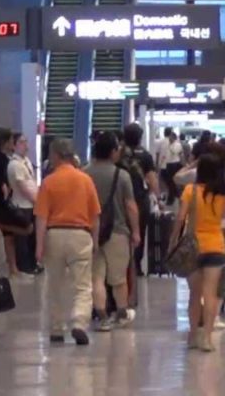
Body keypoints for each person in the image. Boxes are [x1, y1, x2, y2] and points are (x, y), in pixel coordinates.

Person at [174, 149, 225, 352]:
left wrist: (173, 240)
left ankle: (192, 334)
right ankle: (207, 337)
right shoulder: (224, 192)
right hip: (216, 245)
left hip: (193, 247)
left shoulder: (190, 190)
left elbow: (181, 218)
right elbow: (224, 215)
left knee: (194, 294)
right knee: (210, 294)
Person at [36, 138, 101, 346]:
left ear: (55, 156)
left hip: (54, 234)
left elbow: (41, 218)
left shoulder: (48, 182)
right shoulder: (85, 180)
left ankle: (56, 328)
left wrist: (39, 245)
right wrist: (95, 241)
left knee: (54, 284)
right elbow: (95, 216)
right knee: (82, 285)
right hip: (80, 234)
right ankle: (79, 323)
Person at [86, 132, 140, 331]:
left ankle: (102, 317)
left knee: (96, 277)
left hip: (91, 232)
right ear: (112, 152)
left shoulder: (84, 173)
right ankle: (122, 313)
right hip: (117, 231)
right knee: (118, 278)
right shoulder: (122, 175)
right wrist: (135, 231)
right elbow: (130, 205)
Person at [0, 128, 33, 278]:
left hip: (1, 200)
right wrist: (3, 186)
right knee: (26, 228)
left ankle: (13, 268)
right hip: (1, 201)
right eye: (12, 141)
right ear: (6, 142)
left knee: (9, 236)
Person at [119, 123, 159, 297]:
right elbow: (152, 180)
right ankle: (136, 266)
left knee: (121, 231)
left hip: (120, 198)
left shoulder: (119, 154)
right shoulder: (146, 156)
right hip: (139, 199)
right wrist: (155, 198)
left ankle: (122, 265)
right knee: (139, 233)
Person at [7, 131, 40, 274]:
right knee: (22, 239)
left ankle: (33, 264)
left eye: (26, 141)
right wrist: (36, 200)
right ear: (13, 146)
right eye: (21, 142)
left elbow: (32, 183)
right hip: (22, 205)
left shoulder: (26, 162)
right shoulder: (14, 165)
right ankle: (24, 266)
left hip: (32, 205)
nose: (25, 145)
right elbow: (23, 187)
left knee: (32, 238)